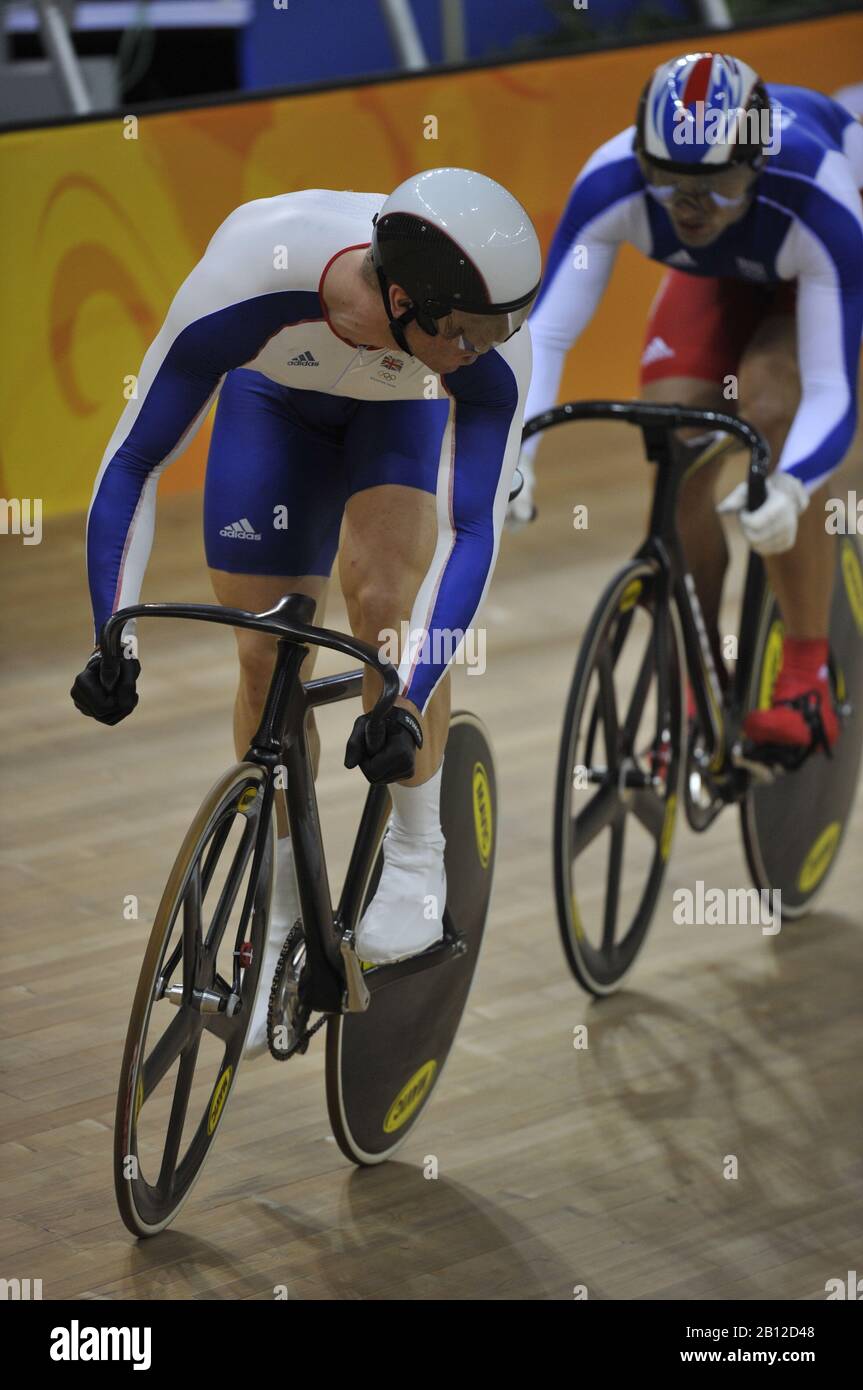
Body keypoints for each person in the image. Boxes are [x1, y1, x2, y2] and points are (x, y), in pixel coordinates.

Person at [71, 167, 541, 1055]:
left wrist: (406, 700)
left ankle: (414, 855)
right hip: (274, 407)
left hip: (398, 415)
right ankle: (284, 903)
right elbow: (134, 459)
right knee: (264, 653)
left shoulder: (484, 355)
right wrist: (112, 627)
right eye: (472, 334)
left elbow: (470, 533)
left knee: (385, 606)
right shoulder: (252, 270)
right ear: (403, 300)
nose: (489, 349)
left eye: (500, 332)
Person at [513, 52, 863, 754]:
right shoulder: (612, 179)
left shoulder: (816, 191)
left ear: (756, 162)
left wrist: (791, 486)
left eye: (713, 184)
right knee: (675, 439)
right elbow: (542, 334)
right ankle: (699, 688)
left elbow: (830, 390)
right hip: (721, 276)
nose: (688, 206)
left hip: (811, 270)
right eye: (668, 181)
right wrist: (515, 454)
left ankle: (806, 676)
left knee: (773, 409)